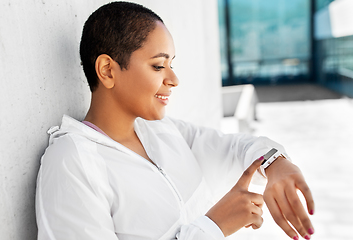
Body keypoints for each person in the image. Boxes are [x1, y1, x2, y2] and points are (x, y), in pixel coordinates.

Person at [35, 2, 315, 240]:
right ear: (108, 70)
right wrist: (213, 227)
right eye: (158, 66)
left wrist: (275, 162)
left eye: (172, 64)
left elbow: (235, 147)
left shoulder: (162, 130)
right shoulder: (73, 161)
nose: (174, 79)